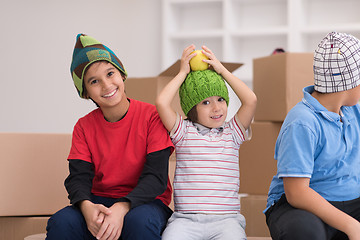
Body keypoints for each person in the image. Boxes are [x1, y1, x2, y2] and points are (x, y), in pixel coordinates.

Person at [45, 34, 174, 240]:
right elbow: (78, 178)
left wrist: (122, 208)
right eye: (94, 81)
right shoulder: (83, 126)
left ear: (122, 74)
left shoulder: (152, 117)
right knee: (61, 222)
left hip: (146, 203)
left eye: (110, 73)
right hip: (99, 201)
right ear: (86, 92)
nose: (106, 85)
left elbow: (156, 178)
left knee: (139, 222)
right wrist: (86, 208)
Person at [265, 31, 360, 240]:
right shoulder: (302, 122)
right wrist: (351, 226)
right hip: (299, 206)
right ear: (349, 83)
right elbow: (297, 193)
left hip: (350, 201)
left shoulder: (354, 111)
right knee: (305, 232)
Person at [156, 44, 257, 240]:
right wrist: (182, 73)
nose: (216, 108)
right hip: (185, 221)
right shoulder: (183, 132)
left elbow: (250, 100)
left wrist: (221, 70)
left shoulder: (232, 132)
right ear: (191, 108)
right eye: (205, 102)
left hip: (226, 221)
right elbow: (162, 102)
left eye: (220, 99)